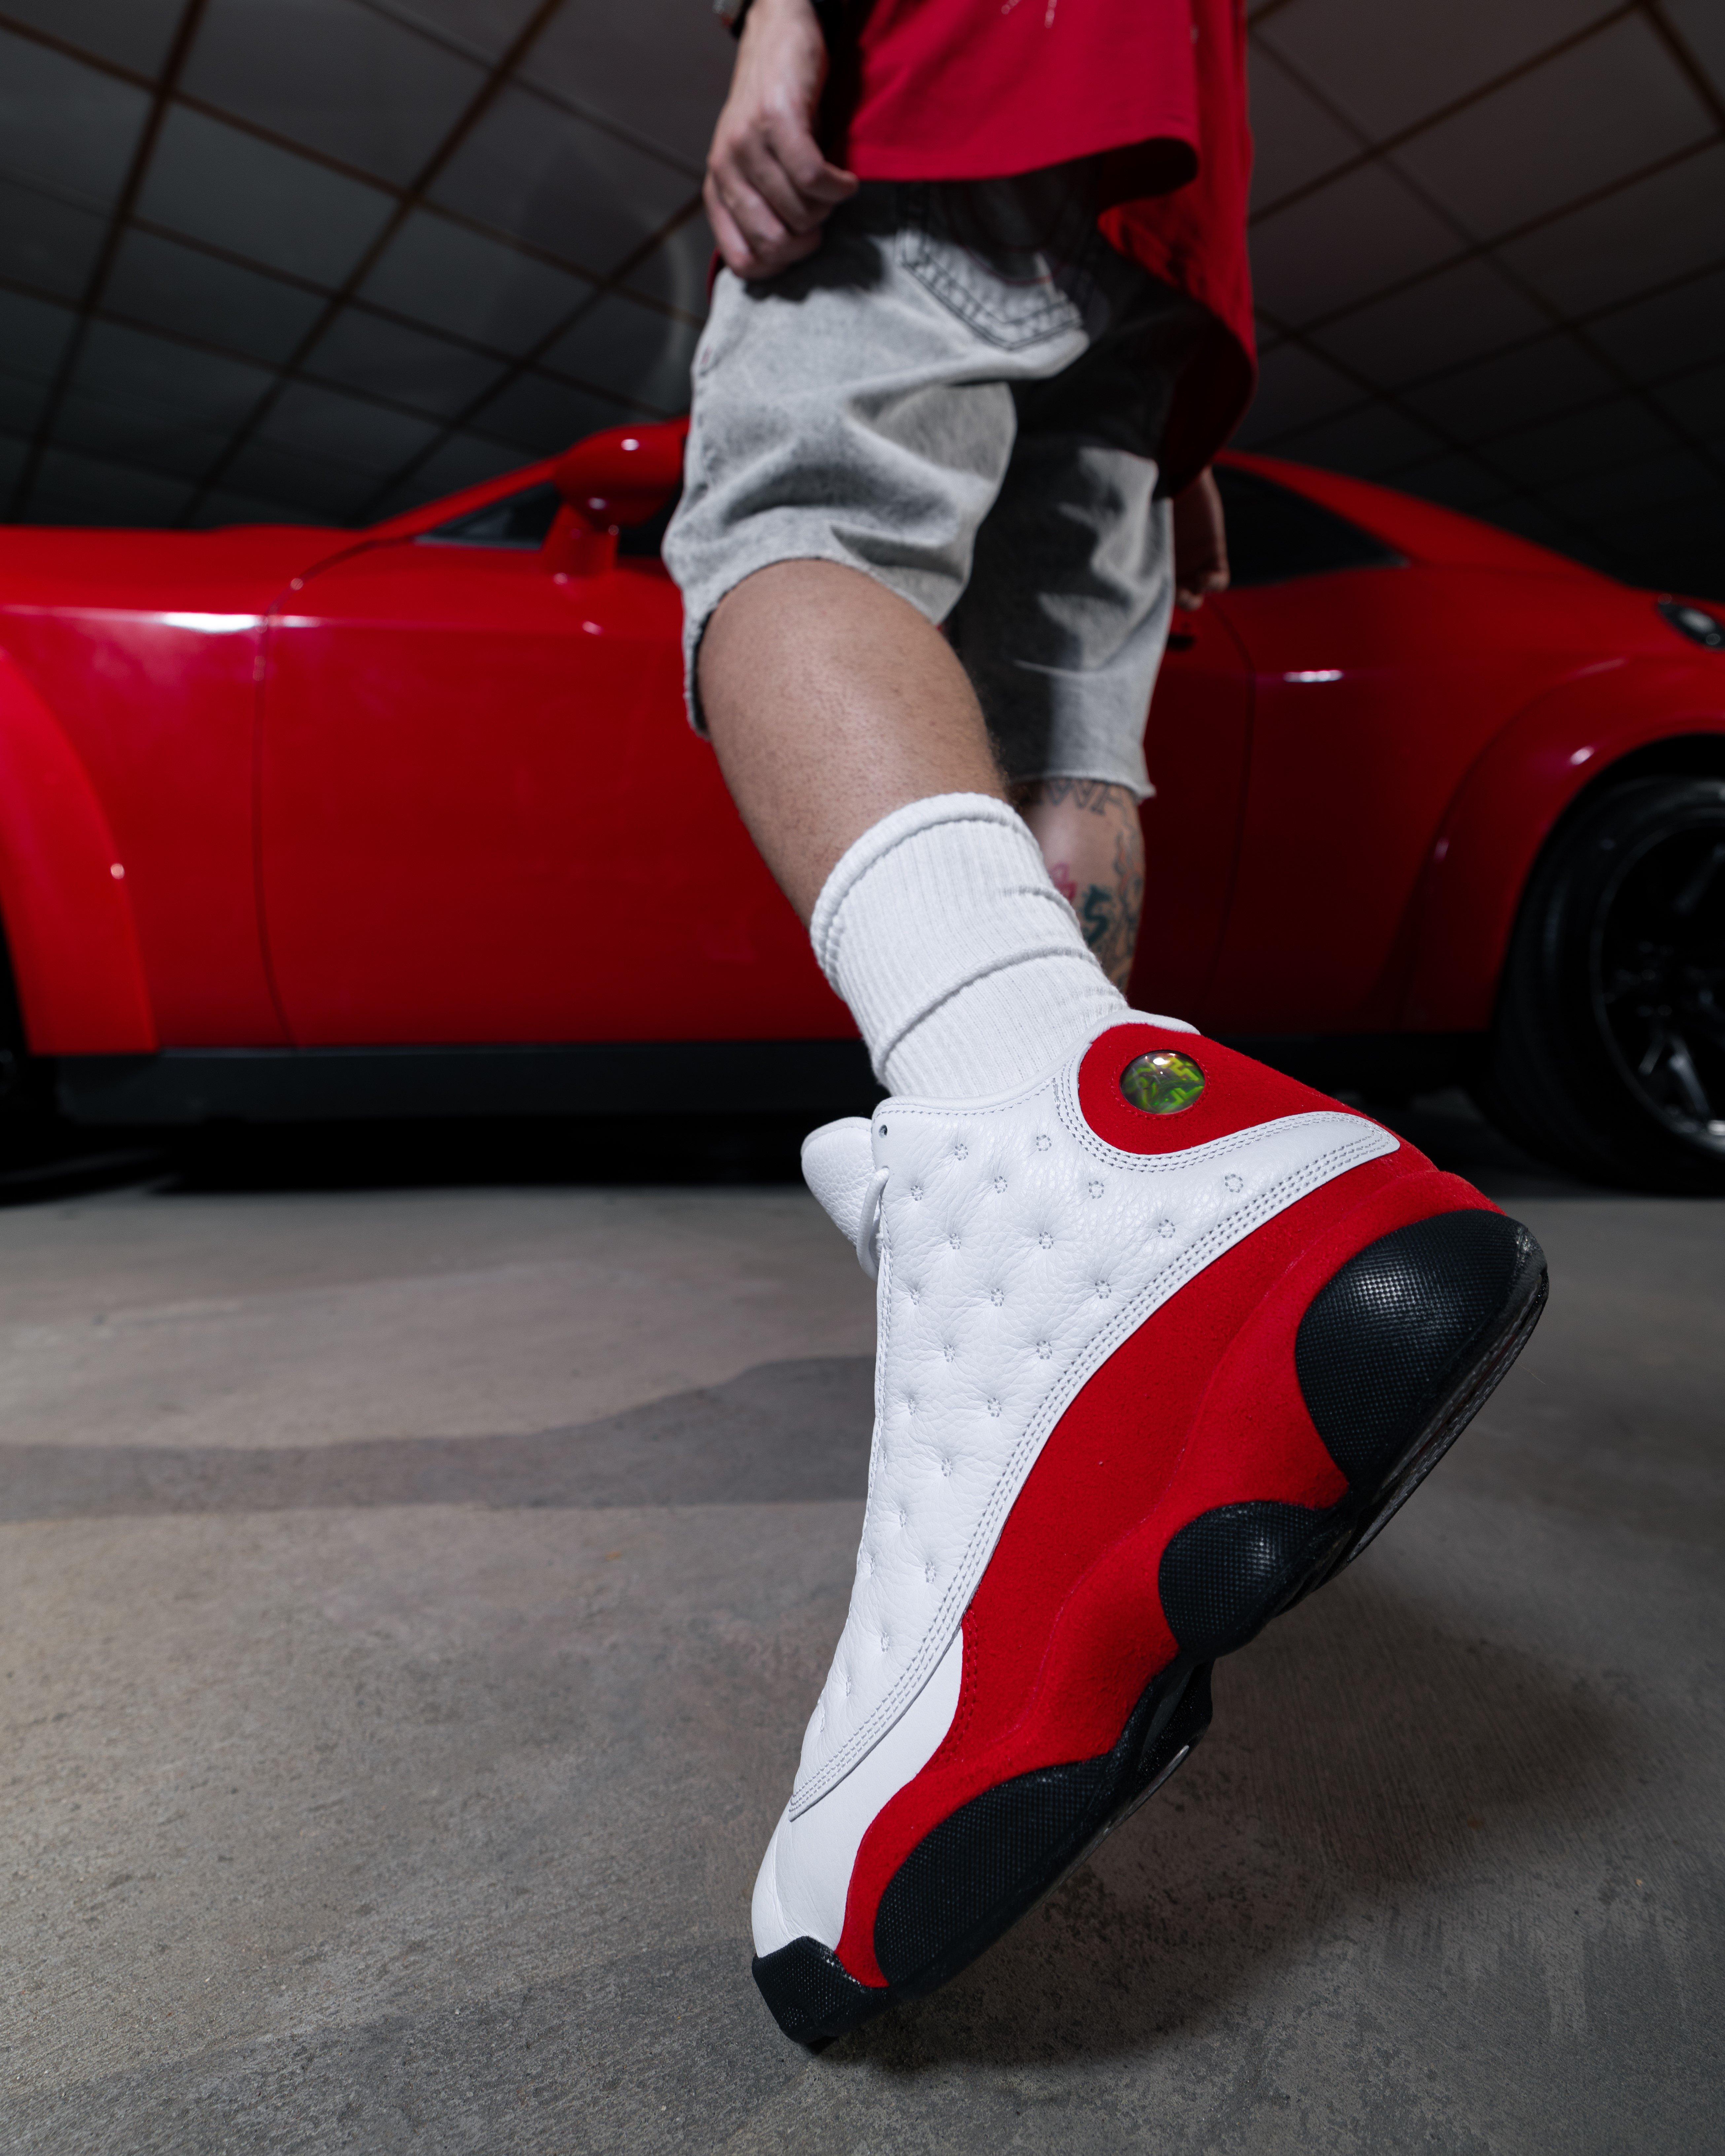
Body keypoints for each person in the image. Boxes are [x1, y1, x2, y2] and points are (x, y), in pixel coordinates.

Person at [663, 0, 1547, 2045]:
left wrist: (787, 12)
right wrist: (1183, 420)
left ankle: (1034, 1153)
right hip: (1163, 215)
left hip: (965, 69)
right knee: (1064, 737)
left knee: (793, 526)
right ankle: (1090, 1270)